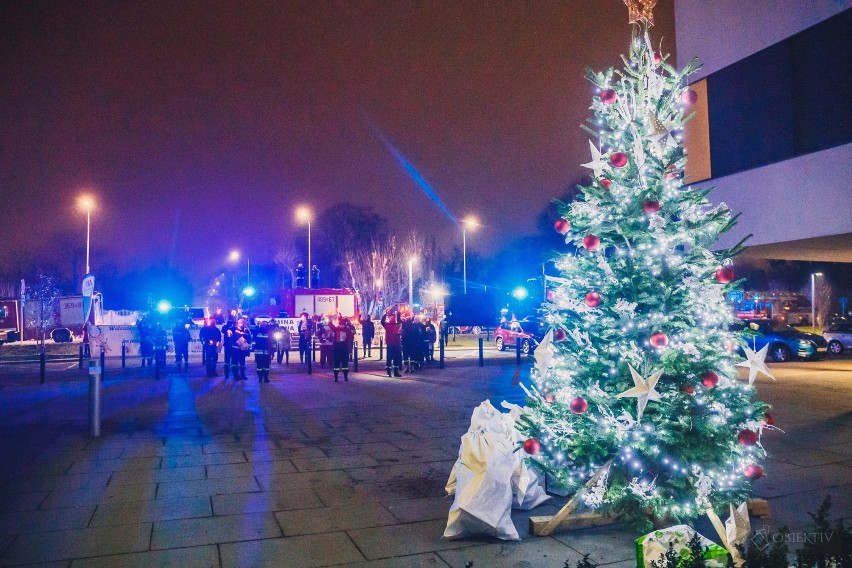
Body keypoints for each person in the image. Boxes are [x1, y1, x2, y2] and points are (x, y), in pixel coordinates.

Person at [381, 309, 403, 377]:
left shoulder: (392, 325)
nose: (392, 318)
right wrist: (386, 314)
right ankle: (392, 372)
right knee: (392, 358)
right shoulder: (393, 325)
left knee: (392, 358)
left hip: (393, 344)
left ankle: (392, 372)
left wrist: (386, 314)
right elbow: (382, 321)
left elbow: (382, 322)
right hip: (393, 344)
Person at [329, 316, 350, 382]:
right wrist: (330, 319)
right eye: (340, 324)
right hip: (337, 348)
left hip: (344, 347)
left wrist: (346, 320)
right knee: (336, 364)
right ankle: (336, 377)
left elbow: (350, 328)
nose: (341, 326)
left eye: (342, 325)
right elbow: (331, 325)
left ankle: (345, 377)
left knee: (345, 364)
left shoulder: (347, 330)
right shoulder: (336, 329)